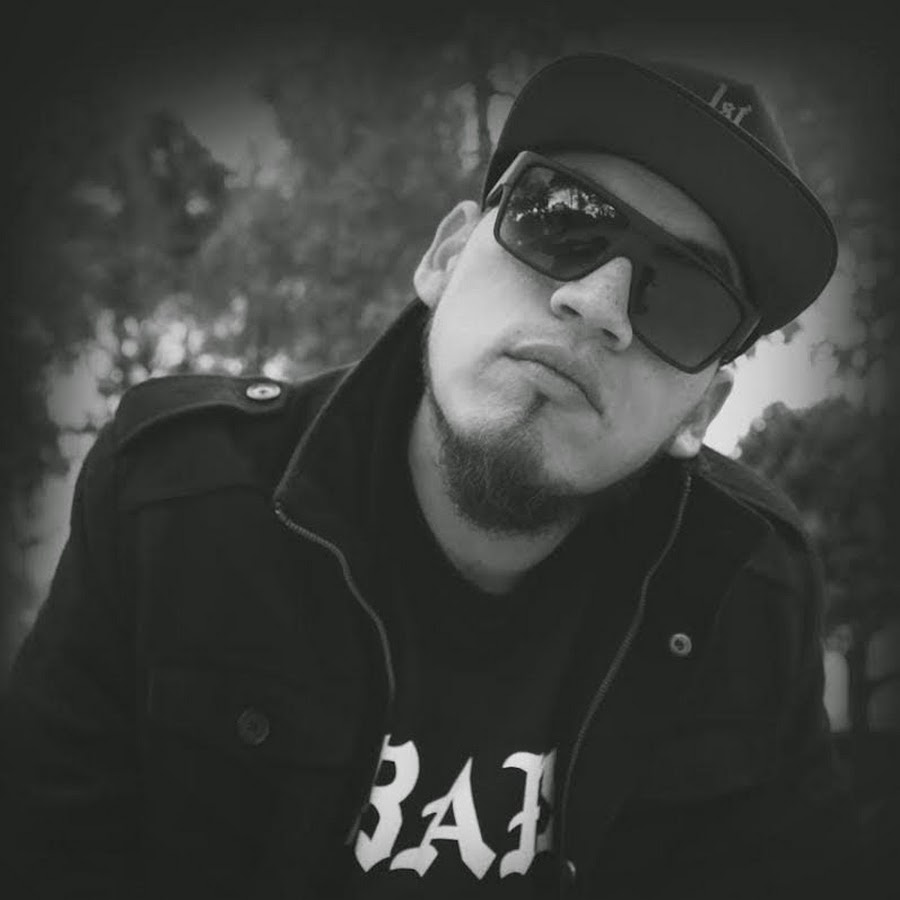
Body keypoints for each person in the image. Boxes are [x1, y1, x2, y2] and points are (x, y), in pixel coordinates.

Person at [1, 51, 865, 899]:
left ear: (700, 412)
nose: (597, 305)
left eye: (685, 298)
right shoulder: (173, 501)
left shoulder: (749, 589)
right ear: (447, 257)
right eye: (561, 220)